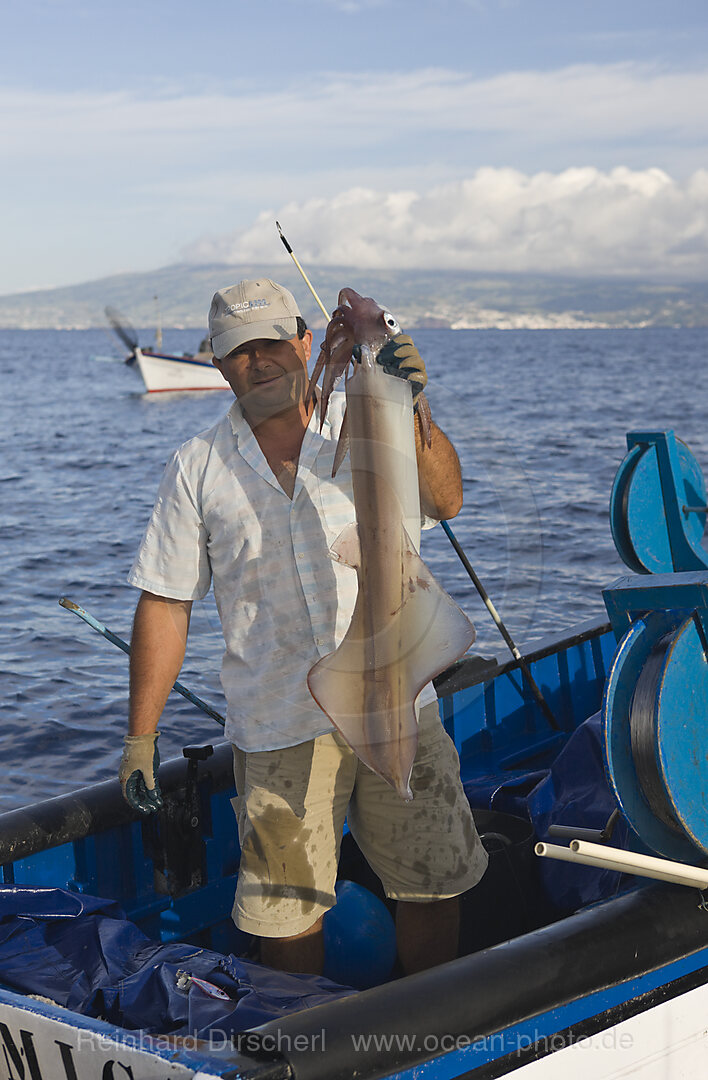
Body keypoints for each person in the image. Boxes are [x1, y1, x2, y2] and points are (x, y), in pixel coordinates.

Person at [119, 279, 488, 976]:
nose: (257, 361)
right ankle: (308, 1046)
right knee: (287, 917)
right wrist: (141, 735)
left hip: (400, 696)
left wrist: (413, 406)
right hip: (279, 721)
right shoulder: (197, 467)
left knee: (432, 881)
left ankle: (424, 1032)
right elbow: (166, 602)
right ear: (218, 363)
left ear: (303, 342)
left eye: (270, 344)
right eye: (237, 351)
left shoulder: (372, 414)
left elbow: (446, 499)